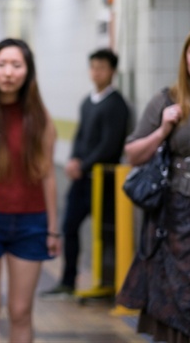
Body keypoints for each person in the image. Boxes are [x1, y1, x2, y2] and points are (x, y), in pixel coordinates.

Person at [117, 23, 190, 342]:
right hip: (174, 217)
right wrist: (163, 130)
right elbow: (132, 154)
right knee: (172, 305)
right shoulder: (166, 99)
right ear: (185, 57)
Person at [0, 38, 60, 343]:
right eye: (1, 65)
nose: (8, 72)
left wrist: (53, 230)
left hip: (31, 223)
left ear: (28, 71)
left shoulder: (40, 118)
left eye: (16, 65)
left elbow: (47, 176)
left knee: (20, 311)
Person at [41, 48, 130, 298]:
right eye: (93, 67)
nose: (96, 72)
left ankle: (108, 282)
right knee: (69, 228)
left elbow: (110, 145)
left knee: (105, 233)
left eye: (102, 67)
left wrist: (83, 164)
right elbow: (81, 138)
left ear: (112, 71)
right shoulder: (87, 101)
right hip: (82, 181)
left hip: (104, 182)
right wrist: (73, 161)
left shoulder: (117, 104)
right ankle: (68, 281)